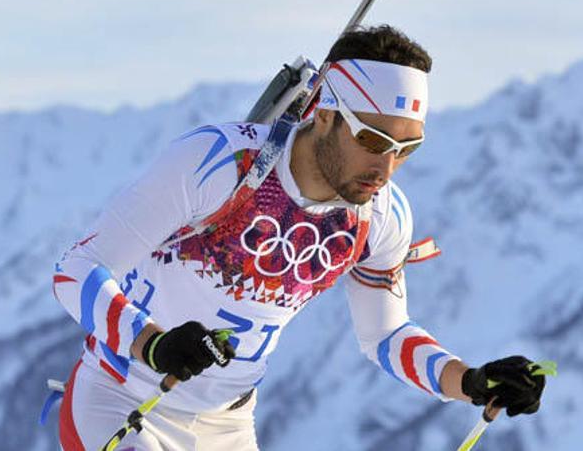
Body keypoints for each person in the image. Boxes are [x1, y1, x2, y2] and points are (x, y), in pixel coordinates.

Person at [52, 25, 546, 451]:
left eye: (406, 148)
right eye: (373, 140)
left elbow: (386, 336)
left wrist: (472, 382)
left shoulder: (381, 217)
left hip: (226, 424)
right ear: (325, 114)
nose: (386, 167)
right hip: (120, 394)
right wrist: (152, 345)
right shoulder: (220, 164)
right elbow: (76, 269)